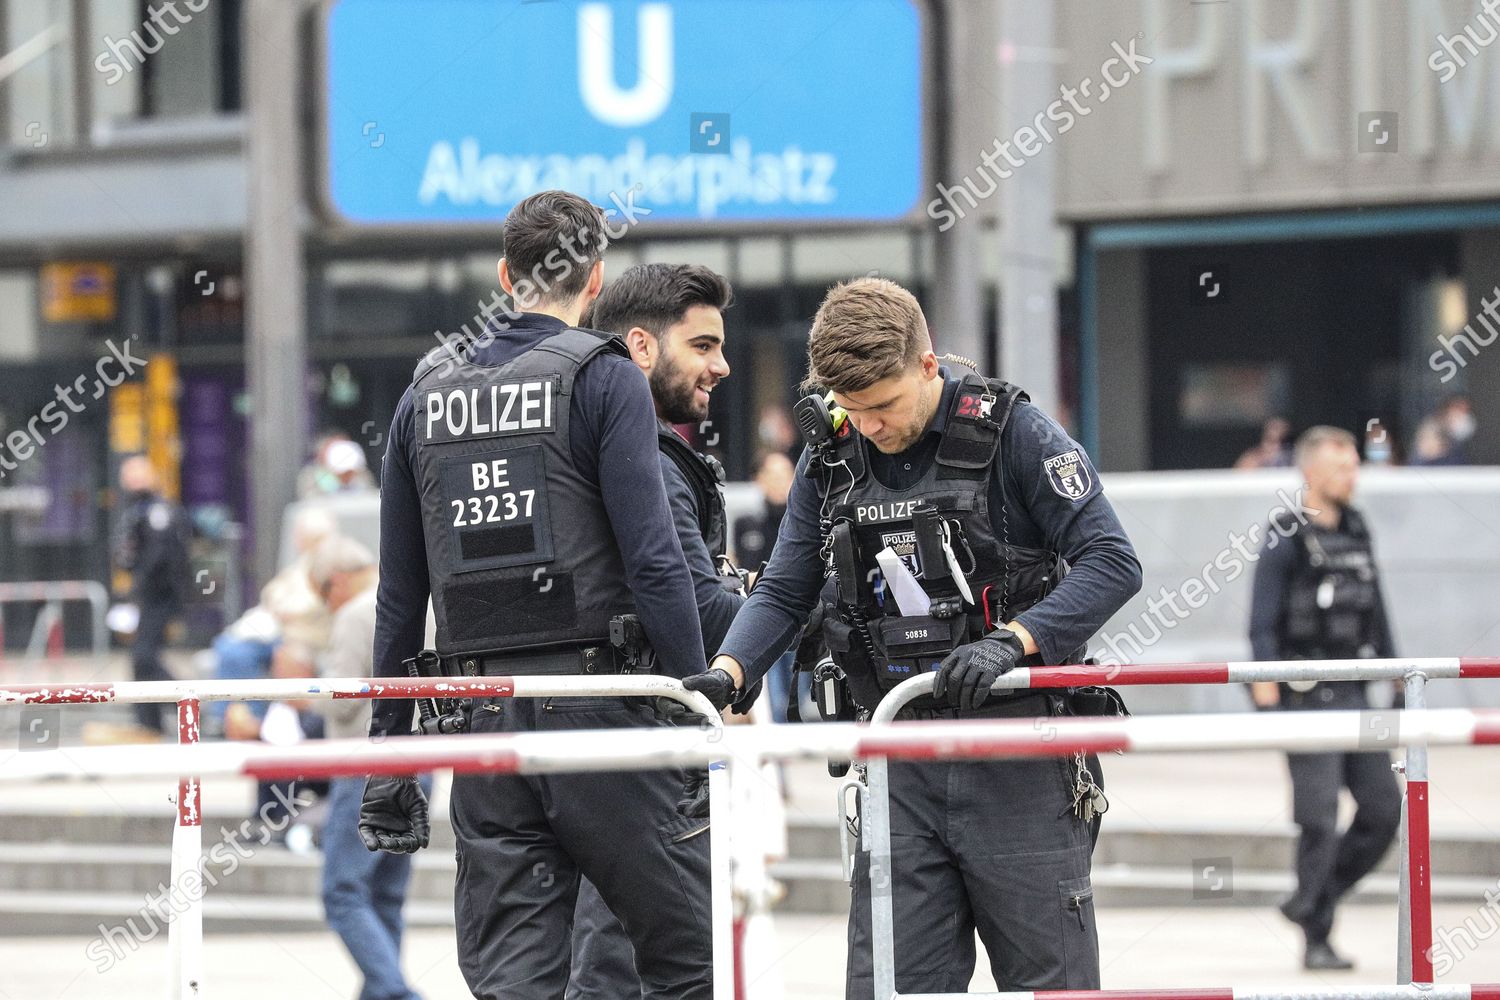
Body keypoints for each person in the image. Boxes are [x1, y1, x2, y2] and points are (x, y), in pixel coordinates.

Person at [685, 277, 1143, 994]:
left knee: (1052, 986)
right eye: (853, 409)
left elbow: (1113, 562)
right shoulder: (832, 450)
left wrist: (1015, 640)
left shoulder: (1013, 432)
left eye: (884, 407)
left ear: (928, 364)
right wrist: (727, 673)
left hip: (1018, 753)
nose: (869, 425)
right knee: (892, 989)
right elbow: (784, 586)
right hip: (897, 758)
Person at [363, 190, 713, 1000]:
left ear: (503, 275)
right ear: (596, 281)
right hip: (604, 719)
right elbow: (655, 561)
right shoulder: (604, 376)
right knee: (680, 960)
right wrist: (695, 700)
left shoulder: (424, 397)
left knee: (513, 979)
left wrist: (391, 750)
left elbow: (399, 593)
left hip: (483, 718)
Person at [568, 261, 747, 1000]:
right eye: (702, 345)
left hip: (596, 736)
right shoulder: (648, 458)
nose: (722, 365)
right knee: (645, 961)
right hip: (642, 745)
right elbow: (693, 603)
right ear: (642, 347)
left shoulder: (605, 439)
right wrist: (793, 608)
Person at [1248, 425, 1401, 971]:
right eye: (1342, 466)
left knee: (1384, 812)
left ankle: (1310, 899)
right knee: (1318, 819)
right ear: (1310, 472)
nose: (1352, 475)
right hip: (1305, 700)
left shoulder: (1357, 527)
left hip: (1357, 695)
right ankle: (1317, 936)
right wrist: (1267, 705)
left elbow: (1375, 609)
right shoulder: (1284, 534)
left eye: (1355, 465)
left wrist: (1401, 674)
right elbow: (1261, 627)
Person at [310, 535, 430, 1000]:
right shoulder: (416, 607)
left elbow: (340, 705)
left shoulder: (354, 614)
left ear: (336, 581)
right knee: (387, 893)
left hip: (364, 767)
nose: (325, 603)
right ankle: (384, 990)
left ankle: (398, 993)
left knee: (342, 891)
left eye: (322, 593)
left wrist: (307, 693)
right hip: (419, 759)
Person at [113, 455, 190, 736]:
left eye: (137, 476)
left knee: (144, 656)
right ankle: (148, 722)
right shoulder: (137, 510)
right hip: (146, 594)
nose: (131, 482)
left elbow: (160, 556)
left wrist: (140, 581)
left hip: (161, 594)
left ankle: (188, 700)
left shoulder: (159, 510)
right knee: (139, 658)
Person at [732, 452, 798, 720]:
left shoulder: (803, 524)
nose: (779, 483)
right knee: (772, 695)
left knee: (798, 692)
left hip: (799, 612)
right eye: (772, 476)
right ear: (758, 480)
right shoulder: (746, 524)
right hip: (760, 610)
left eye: (785, 476)